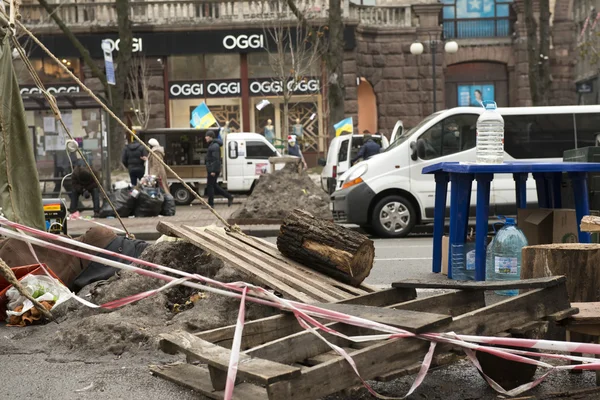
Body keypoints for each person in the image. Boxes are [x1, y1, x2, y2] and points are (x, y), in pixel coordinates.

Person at [205, 130, 233, 208]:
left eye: (207, 136)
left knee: (210, 186)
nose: (205, 138)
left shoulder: (214, 146)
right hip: (212, 169)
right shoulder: (213, 145)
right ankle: (229, 196)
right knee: (214, 186)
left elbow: (216, 159)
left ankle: (211, 204)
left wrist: (213, 170)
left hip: (213, 170)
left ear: (210, 137)